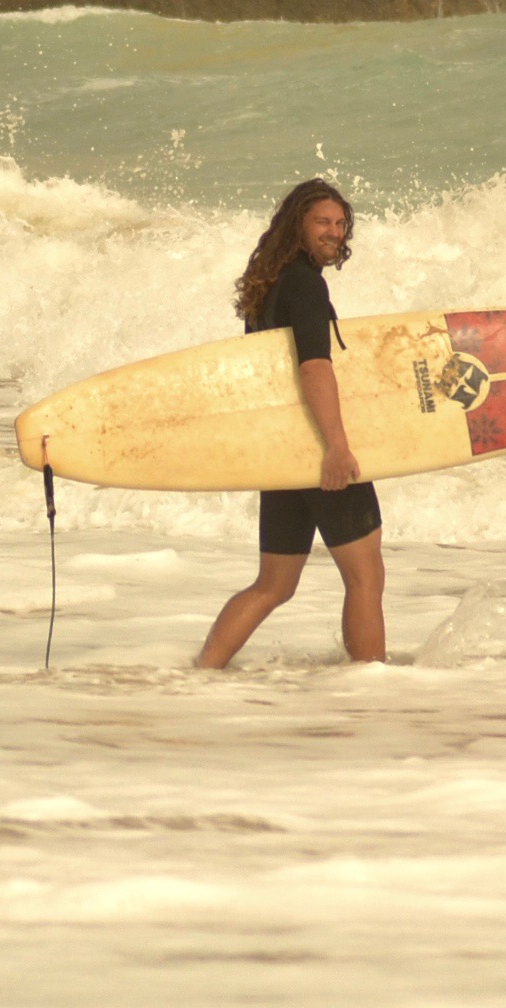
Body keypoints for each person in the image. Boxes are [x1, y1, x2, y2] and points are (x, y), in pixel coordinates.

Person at [196, 179, 385, 668]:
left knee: (273, 584)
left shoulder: (271, 284)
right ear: (297, 224)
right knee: (366, 578)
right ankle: (373, 686)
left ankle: (201, 673)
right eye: (323, 221)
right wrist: (337, 447)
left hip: (284, 452)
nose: (334, 232)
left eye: (341, 224)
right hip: (318, 449)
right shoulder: (303, 284)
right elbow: (313, 367)